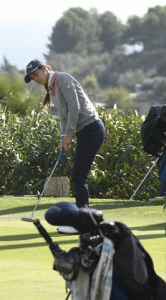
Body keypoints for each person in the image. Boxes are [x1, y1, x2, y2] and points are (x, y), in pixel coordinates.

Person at [24, 59, 105, 233]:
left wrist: (69, 134)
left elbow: (75, 108)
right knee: (78, 176)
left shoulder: (62, 79)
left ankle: (83, 224)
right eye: (32, 77)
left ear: (45, 68)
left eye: (36, 74)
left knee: (78, 177)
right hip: (84, 131)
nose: (35, 78)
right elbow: (64, 117)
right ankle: (84, 221)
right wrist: (63, 137)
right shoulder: (52, 89)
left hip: (92, 128)